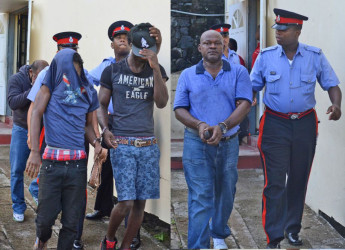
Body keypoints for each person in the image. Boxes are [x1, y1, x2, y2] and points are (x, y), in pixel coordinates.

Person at [250, 8, 342, 249]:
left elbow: (332, 84)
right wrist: (245, 101)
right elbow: (252, 86)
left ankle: (292, 229)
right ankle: (273, 237)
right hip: (274, 124)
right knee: (275, 182)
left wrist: (336, 104)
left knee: (299, 179)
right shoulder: (266, 56)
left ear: (298, 30)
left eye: (284, 29)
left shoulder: (315, 56)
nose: (278, 33)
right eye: (277, 29)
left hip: (304, 124)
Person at [174, 30, 252, 249]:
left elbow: (245, 103)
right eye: (206, 43)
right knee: (201, 195)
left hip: (229, 143)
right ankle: (197, 245)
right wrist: (199, 124)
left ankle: (218, 233)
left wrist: (223, 126)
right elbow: (179, 109)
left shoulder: (238, 72)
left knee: (226, 192)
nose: (212, 46)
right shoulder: (188, 74)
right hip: (196, 144)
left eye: (217, 43)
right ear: (200, 48)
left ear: (223, 46)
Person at [97, 22, 169, 250]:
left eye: (146, 53)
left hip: (148, 145)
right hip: (123, 143)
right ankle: (109, 239)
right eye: (138, 53)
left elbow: (161, 102)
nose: (141, 58)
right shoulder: (113, 70)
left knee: (139, 204)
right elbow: (100, 104)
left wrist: (156, 68)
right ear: (129, 44)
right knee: (126, 202)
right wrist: (105, 130)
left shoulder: (154, 68)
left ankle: (126, 245)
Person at [26, 49, 101, 250]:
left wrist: (96, 143)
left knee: (71, 222)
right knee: (44, 220)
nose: (72, 76)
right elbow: (36, 114)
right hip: (52, 165)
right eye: (67, 71)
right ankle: (42, 240)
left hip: (77, 166)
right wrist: (34, 151)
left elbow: (87, 125)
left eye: (75, 71)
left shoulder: (88, 90)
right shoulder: (49, 86)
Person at [7, 60, 48, 222]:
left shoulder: (48, 79)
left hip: (42, 130)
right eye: (39, 77)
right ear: (31, 72)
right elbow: (13, 102)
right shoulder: (16, 79)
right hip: (22, 129)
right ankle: (18, 205)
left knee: (47, 166)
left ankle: (35, 188)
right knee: (17, 169)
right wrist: (34, 90)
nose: (42, 80)